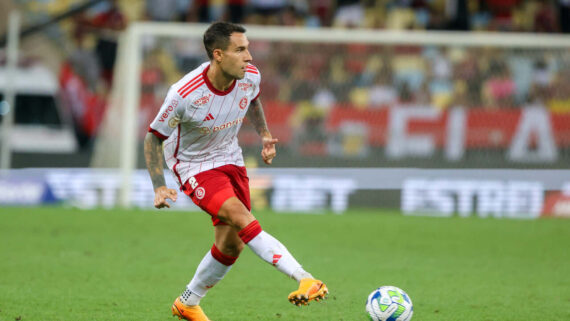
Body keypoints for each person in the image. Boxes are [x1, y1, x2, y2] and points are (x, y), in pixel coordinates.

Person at [144, 22, 328, 321]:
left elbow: (252, 101)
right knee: (242, 218)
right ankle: (304, 277)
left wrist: (265, 135)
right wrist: (158, 185)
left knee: (232, 243)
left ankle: (188, 302)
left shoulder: (250, 76)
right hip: (194, 165)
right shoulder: (183, 94)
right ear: (218, 55)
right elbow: (153, 137)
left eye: (248, 48)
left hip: (230, 157)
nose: (250, 57)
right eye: (240, 50)